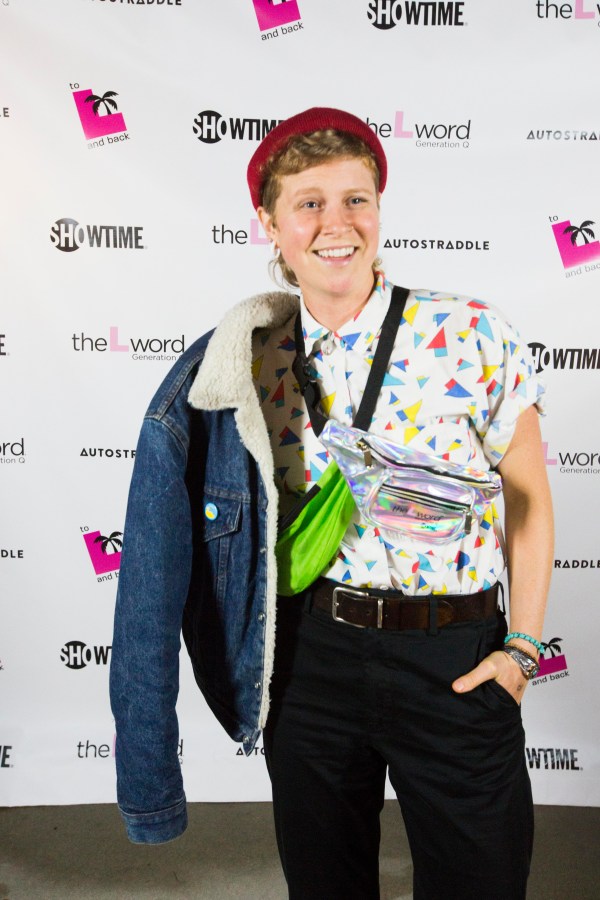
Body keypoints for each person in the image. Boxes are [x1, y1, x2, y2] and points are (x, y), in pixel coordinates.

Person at [110, 107, 553, 900]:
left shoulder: (471, 331)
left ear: (380, 211)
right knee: (325, 885)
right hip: (312, 662)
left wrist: (520, 650)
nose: (336, 224)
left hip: (453, 657)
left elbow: (529, 500)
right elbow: (166, 558)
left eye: (356, 199)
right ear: (269, 225)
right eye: (308, 203)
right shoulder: (239, 365)